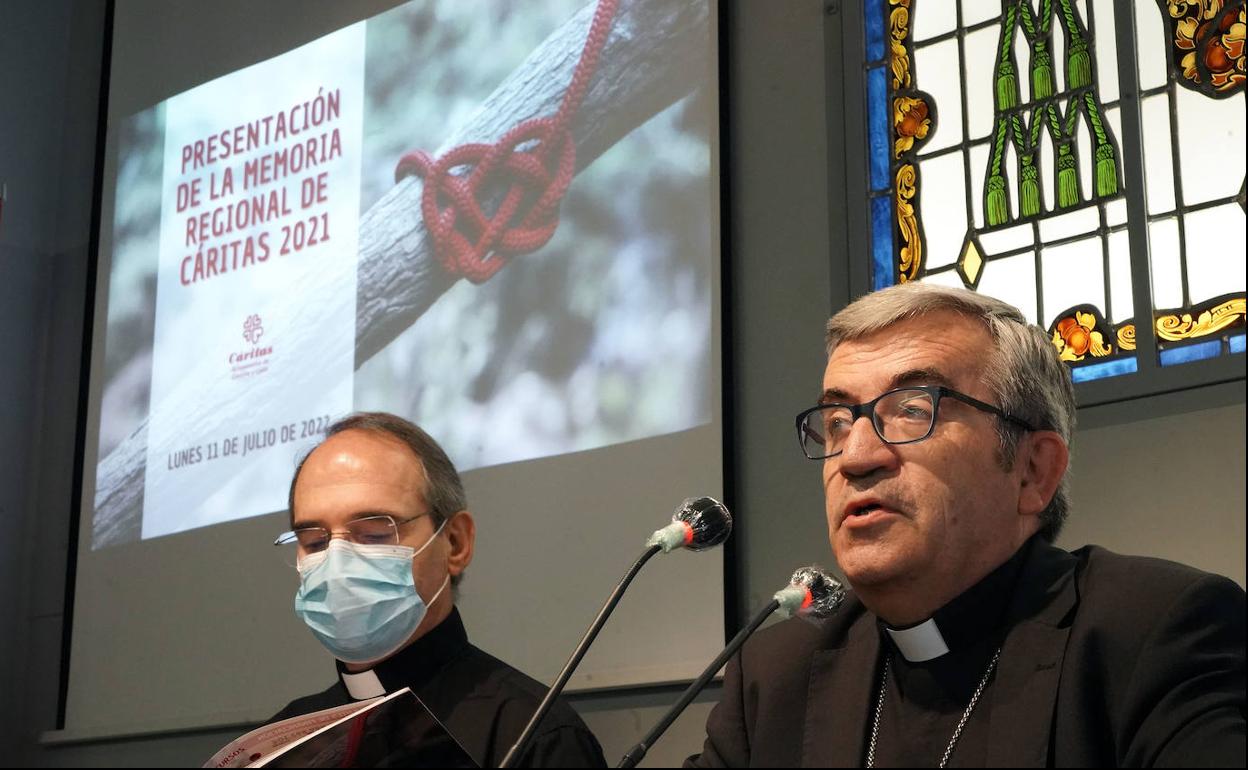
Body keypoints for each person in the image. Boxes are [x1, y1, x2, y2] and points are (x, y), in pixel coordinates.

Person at [688, 283, 1245, 767]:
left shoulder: (1151, 635)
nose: (856, 457)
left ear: (1033, 470)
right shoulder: (775, 676)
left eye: (910, 409)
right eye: (837, 422)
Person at [269, 412, 606, 768]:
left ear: (456, 543)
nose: (337, 564)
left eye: (375, 534)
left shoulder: (533, 734)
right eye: (315, 541)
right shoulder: (280, 745)